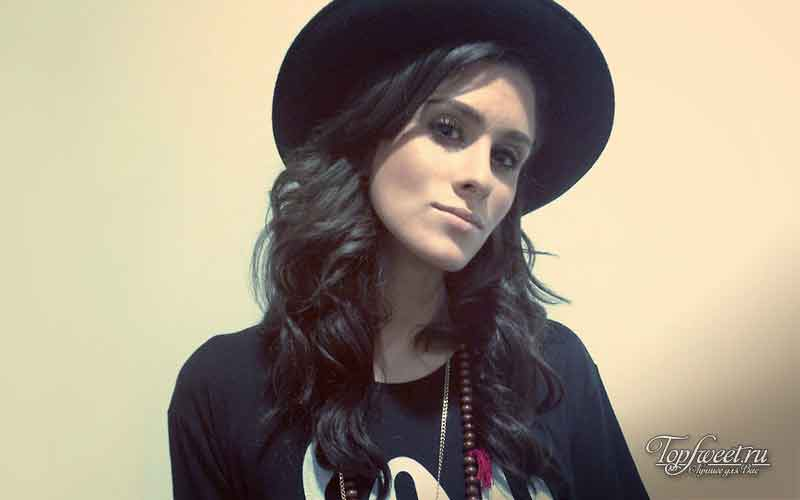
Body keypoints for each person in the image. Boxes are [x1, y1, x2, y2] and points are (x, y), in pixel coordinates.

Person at [167, 1, 650, 499]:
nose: (480, 177)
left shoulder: (550, 371)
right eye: (447, 129)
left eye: (506, 157)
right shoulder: (226, 389)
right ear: (366, 136)